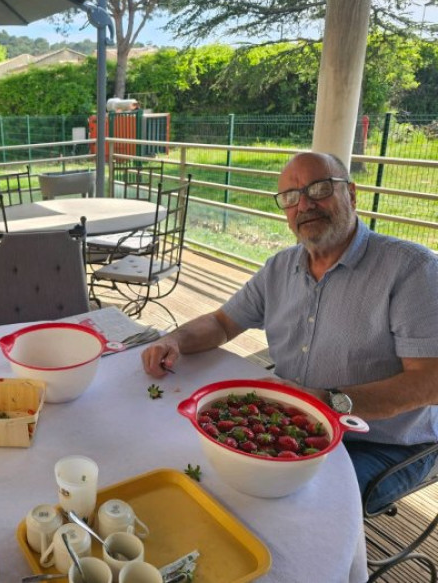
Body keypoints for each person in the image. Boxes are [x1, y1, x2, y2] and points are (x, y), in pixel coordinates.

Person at [142, 152, 438, 511]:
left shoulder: (412, 269)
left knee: (296, 507)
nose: (305, 205)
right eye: (291, 197)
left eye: (320, 189)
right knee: (207, 474)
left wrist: (326, 401)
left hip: (382, 444)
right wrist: (173, 339)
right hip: (291, 422)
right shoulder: (280, 268)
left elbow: (430, 382)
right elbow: (221, 323)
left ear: (351, 194)